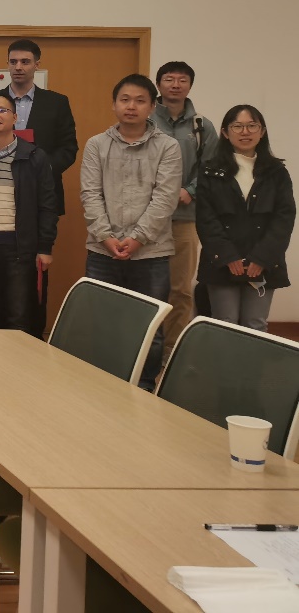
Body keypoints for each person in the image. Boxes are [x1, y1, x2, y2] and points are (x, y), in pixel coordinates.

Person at [0, 38, 78, 336]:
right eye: (13, 61)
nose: (18, 67)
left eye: (25, 61)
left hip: (33, 209)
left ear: (36, 65)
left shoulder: (57, 102)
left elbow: (69, 148)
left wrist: (36, 169)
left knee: (29, 301)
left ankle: (30, 351)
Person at [80, 74, 181, 390]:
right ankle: (104, 386)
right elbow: (90, 194)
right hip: (102, 251)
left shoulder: (168, 146)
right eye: (124, 99)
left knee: (150, 325)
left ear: (152, 106)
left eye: (140, 100)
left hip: (151, 253)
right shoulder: (97, 144)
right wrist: (106, 236)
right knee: (102, 323)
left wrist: (137, 239)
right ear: (114, 104)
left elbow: (165, 199)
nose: (131, 106)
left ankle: (145, 387)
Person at [196, 106, 294, 332]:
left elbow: (284, 218)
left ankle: (251, 361)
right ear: (225, 132)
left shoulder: (276, 171)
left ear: (262, 131)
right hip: (221, 262)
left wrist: (261, 258)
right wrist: (228, 256)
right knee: (225, 323)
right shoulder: (211, 171)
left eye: (252, 126)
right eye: (237, 126)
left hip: (263, 263)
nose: (245, 131)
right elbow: (206, 218)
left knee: (255, 324)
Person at [0, 93, 58, 335]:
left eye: (2, 110)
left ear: (15, 117)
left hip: (20, 248)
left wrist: (45, 247)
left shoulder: (34, 156)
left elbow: (47, 205)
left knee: (18, 316)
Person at [151, 61, 217, 356]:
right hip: (147, 218)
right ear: (159, 84)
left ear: (190, 86)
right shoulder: (146, 118)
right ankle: (144, 350)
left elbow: (213, 168)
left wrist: (190, 190)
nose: (175, 85)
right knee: (148, 288)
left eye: (182, 80)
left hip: (185, 218)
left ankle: (170, 351)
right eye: (169, 79)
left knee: (180, 289)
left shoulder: (201, 126)